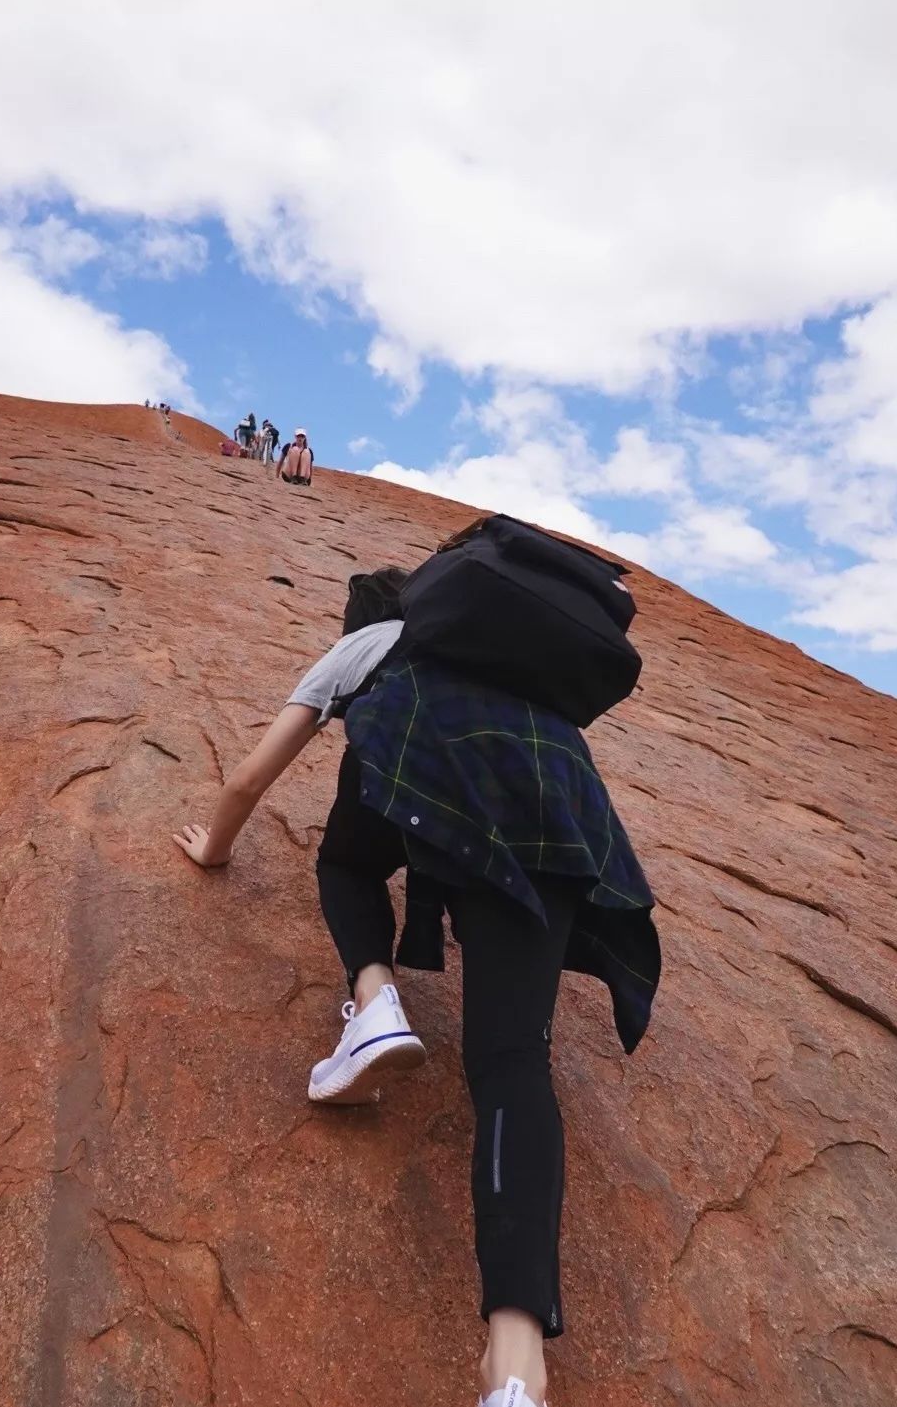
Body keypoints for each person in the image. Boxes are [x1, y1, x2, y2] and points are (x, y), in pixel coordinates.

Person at [173, 560, 661, 1407]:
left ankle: (373, 1001)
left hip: (419, 754)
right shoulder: (512, 665)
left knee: (344, 859)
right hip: (556, 799)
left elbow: (253, 776)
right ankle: (515, 1372)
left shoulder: (366, 645)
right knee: (513, 1063)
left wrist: (211, 849)